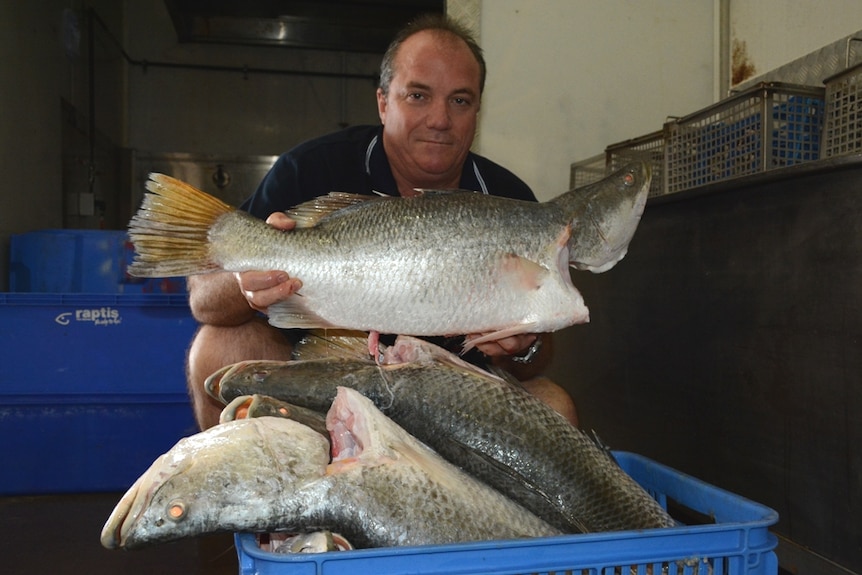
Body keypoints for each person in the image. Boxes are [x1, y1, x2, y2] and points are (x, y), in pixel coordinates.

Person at [186, 14, 578, 430]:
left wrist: (521, 347)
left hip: (455, 396)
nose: (440, 120)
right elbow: (202, 295)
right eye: (418, 96)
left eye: (459, 100)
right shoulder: (310, 169)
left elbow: (539, 357)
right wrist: (246, 284)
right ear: (383, 101)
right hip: (313, 387)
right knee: (219, 345)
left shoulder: (509, 200)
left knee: (555, 405)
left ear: (477, 110)